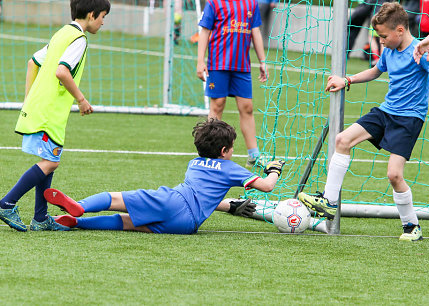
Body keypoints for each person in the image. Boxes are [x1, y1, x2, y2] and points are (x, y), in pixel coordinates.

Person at [298, 2, 429, 241]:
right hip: (385, 112)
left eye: (383, 36)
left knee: (394, 175)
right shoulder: (389, 50)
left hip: (409, 119)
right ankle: (329, 201)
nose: (380, 41)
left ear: (400, 31)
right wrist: (347, 80)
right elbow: (375, 71)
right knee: (342, 140)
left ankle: (411, 226)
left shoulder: (420, 52)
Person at [43, 119, 285, 234]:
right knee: (128, 224)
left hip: (173, 200)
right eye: (232, 147)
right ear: (224, 152)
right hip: (187, 225)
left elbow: (196, 195)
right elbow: (266, 186)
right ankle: (77, 222)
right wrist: (274, 169)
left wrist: (231, 206)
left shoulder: (194, 164)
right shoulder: (231, 168)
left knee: (115, 198)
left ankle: (80, 207)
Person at [0, 0, 111, 232]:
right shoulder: (79, 39)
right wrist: (81, 99)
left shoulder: (62, 33)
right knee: (51, 162)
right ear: (91, 14)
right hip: (49, 112)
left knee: (51, 161)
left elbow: (33, 62)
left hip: (43, 109)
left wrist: (29, 99)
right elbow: (62, 71)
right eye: (103, 16)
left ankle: (40, 218)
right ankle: (7, 203)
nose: (103, 21)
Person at [196, 0, 268, 169]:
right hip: (218, 64)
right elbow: (205, 32)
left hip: (242, 67)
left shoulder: (251, 4)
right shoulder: (214, 3)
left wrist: (262, 61)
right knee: (217, 105)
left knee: (247, 107)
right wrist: (200, 61)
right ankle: (211, 154)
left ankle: (254, 155)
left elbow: (255, 31)